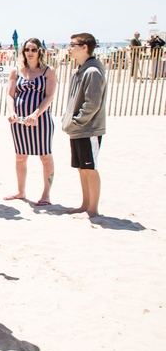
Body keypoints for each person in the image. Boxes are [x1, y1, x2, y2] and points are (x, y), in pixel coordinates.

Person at [3, 37, 57, 205]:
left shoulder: (48, 71)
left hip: (41, 120)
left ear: (39, 51)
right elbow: (10, 95)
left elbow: (49, 96)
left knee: (45, 156)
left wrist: (36, 114)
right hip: (19, 120)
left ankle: (46, 194)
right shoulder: (16, 71)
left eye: (34, 49)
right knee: (20, 156)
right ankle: (21, 191)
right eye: (27, 49)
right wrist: (11, 112)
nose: (30, 53)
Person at [62, 33, 107, 216]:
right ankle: (85, 204)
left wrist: (76, 122)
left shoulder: (92, 71)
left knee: (90, 168)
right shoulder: (80, 69)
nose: (69, 48)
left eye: (73, 45)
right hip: (77, 129)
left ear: (85, 47)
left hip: (89, 129)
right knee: (81, 168)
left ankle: (93, 209)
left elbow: (92, 103)